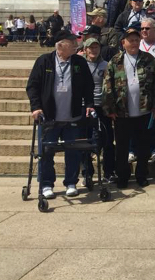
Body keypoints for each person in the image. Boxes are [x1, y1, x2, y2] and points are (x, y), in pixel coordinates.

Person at [26, 31, 95, 199]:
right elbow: (32, 86)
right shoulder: (44, 61)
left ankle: (71, 182)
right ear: (60, 45)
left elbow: (88, 86)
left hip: (72, 116)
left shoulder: (79, 62)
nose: (75, 46)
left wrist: (89, 104)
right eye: (72, 43)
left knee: (73, 151)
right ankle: (46, 184)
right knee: (46, 152)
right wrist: (35, 107)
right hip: (49, 117)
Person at [102, 23, 155, 189]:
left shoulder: (149, 59)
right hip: (122, 113)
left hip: (144, 111)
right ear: (123, 43)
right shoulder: (115, 61)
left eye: (136, 40)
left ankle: (142, 175)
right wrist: (110, 109)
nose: (134, 43)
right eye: (130, 40)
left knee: (143, 147)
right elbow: (107, 87)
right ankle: (123, 176)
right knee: (121, 148)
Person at [82, 37, 116, 183]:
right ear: (85, 49)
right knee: (85, 141)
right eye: (90, 48)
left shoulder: (106, 65)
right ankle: (87, 173)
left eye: (96, 47)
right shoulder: (80, 65)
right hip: (85, 107)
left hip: (103, 106)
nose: (93, 50)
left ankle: (109, 172)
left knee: (107, 140)